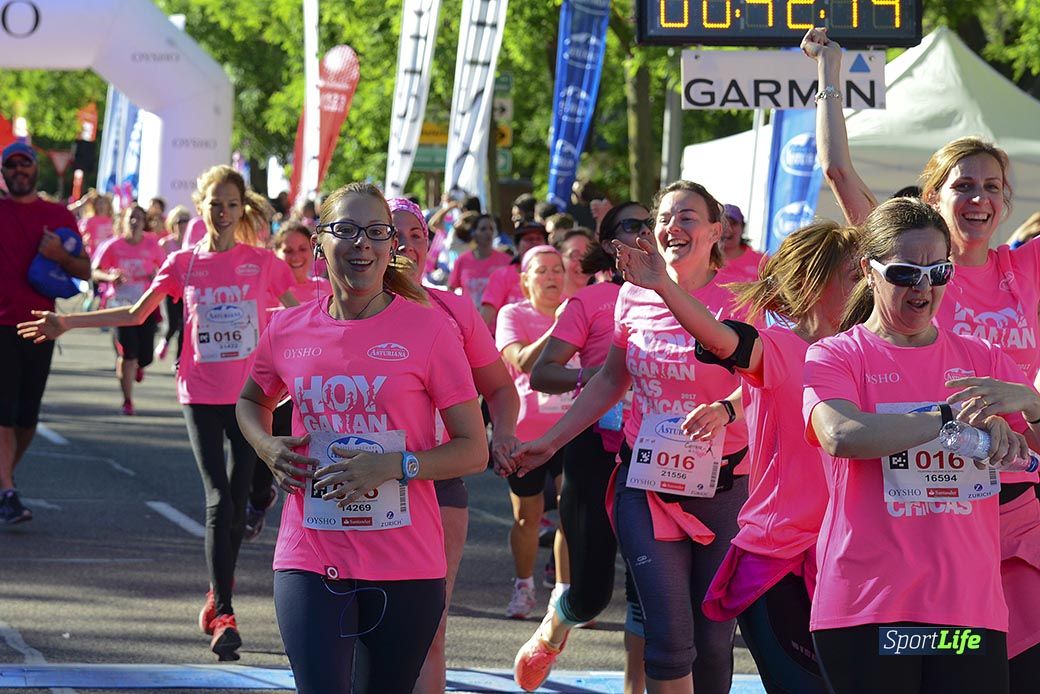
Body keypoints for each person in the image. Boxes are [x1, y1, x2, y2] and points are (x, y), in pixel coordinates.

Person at [803, 27, 1040, 687]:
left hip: (1008, 497)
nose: (980, 198)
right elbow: (839, 172)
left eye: (993, 186)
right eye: (964, 185)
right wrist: (829, 77)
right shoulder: (907, 255)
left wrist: (1029, 401)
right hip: (902, 531)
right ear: (932, 196)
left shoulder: (1025, 269)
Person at [19, 165, 296, 660]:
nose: (223, 212)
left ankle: (218, 591)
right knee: (218, 499)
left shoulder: (261, 263)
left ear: (242, 209)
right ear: (202, 205)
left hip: (251, 397)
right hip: (200, 393)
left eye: (232, 204)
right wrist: (68, 322)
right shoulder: (183, 263)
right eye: (215, 203)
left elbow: (304, 312)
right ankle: (225, 613)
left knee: (237, 502)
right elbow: (136, 313)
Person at [235, 182, 488, 694]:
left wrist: (396, 465)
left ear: (391, 245)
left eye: (376, 232)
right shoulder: (287, 329)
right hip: (310, 551)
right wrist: (267, 447)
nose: (362, 244)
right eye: (346, 230)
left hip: (406, 561)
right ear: (320, 242)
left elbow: (473, 448)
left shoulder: (429, 330)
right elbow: (250, 402)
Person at [512, 180, 753, 694]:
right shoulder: (631, 297)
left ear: (717, 231)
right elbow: (610, 380)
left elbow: (766, 382)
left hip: (725, 487)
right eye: (663, 218)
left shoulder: (740, 299)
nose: (671, 227)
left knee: (713, 642)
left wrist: (726, 409)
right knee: (668, 637)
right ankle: (562, 622)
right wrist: (551, 441)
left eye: (687, 217)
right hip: (646, 486)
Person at [614, 218, 859, 693]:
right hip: (779, 558)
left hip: (845, 553)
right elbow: (720, 338)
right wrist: (664, 285)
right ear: (814, 284)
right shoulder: (780, 347)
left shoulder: (862, 353)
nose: (866, 286)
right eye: (854, 276)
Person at [513, 202, 654, 692]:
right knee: (592, 594)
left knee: (648, 590)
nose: (645, 231)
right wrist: (593, 374)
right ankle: (556, 625)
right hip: (594, 452)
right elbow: (542, 373)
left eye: (650, 223)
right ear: (611, 244)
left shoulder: (678, 299)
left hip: (657, 455)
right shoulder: (591, 302)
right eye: (632, 225)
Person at [388, 196, 521, 694]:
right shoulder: (340, 309)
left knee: (430, 629)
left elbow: (501, 389)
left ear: (430, 245)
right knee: (357, 624)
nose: (404, 245)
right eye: (391, 233)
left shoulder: (453, 309)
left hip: (438, 482)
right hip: (359, 483)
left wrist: (503, 433)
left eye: (416, 235)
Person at [0, 141, 90, 524]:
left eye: (25, 164)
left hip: (40, 325)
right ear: (3, 173)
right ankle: (7, 490)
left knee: (27, 417)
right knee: (3, 412)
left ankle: (5, 479)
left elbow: (85, 271)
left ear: (36, 169)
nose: (19, 170)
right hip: (1, 326)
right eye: (11, 165)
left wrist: (61, 257)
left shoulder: (57, 215)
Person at [497, 245, 574, 621]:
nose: (551, 277)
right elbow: (523, 361)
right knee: (529, 516)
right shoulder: (513, 314)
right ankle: (524, 586)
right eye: (541, 271)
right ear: (525, 280)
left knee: (570, 512)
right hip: (525, 435)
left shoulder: (576, 311)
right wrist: (560, 327)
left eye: (557, 269)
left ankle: (564, 594)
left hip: (570, 431)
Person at [91, 204, 167, 414]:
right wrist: (110, 277)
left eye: (139, 218)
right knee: (128, 353)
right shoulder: (112, 245)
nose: (134, 222)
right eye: (131, 217)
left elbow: (165, 269)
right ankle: (127, 400)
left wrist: (156, 277)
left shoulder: (152, 245)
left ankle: (139, 366)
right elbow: (95, 271)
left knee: (145, 356)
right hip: (120, 307)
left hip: (145, 305)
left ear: (144, 223)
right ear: (123, 220)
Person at [480, 222, 550, 331]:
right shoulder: (502, 276)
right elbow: (485, 318)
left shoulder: (557, 276)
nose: (534, 242)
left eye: (539, 238)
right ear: (517, 246)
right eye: (528, 239)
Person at [448, 212, 511, 306]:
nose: (488, 232)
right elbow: (450, 291)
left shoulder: (506, 261)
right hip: (469, 314)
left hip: (498, 315)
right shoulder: (462, 261)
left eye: (491, 229)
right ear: (474, 233)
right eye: (483, 229)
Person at [155, 207, 192, 363]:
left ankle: (179, 361)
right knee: (172, 324)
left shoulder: (194, 244)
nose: (183, 224)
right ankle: (165, 340)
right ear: (172, 224)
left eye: (186, 221)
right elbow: (159, 268)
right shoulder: (165, 243)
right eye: (179, 221)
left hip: (187, 291)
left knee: (185, 325)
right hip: (170, 290)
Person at [715, 204, 767, 284]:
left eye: (733, 223)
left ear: (743, 228)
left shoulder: (762, 262)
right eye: (723, 223)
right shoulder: (702, 260)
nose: (728, 229)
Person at [556, 228, 593, 297]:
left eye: (588, 255)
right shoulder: (549, 301)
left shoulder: (602, 299)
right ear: (560, 258)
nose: (583, 261)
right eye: (575, 255)